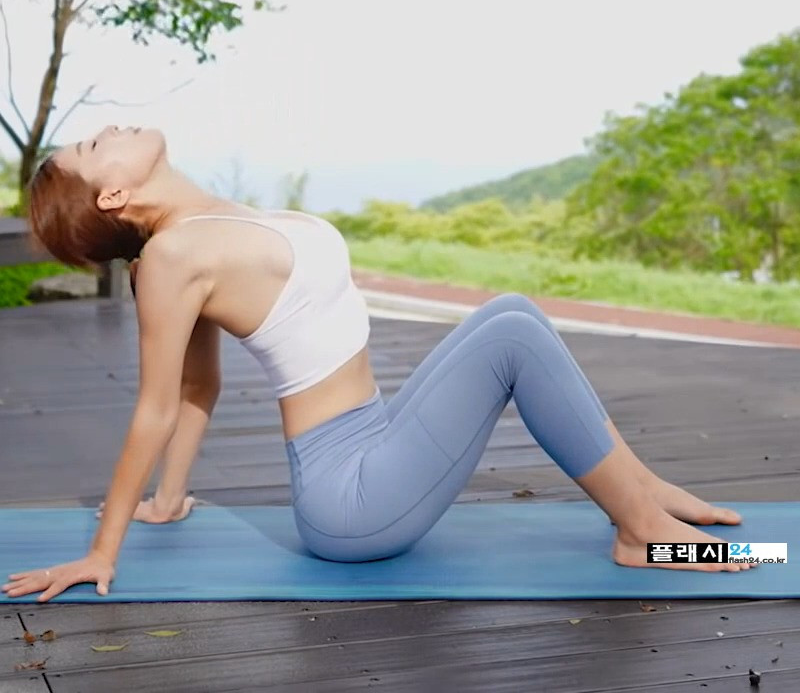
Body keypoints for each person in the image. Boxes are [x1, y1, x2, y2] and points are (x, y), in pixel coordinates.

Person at [2, 125, 754, 602]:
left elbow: (204, 384)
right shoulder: (167, 259)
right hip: (350, 501)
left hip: (374, 439)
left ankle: (642, 487)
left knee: (511, 312)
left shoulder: (206, 222)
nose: (108, 130)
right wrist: (104, 548)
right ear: (116, 194)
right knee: (513, 341)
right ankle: (639, 532)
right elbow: (160, 403)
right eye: (93, 147)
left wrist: (168, 500)